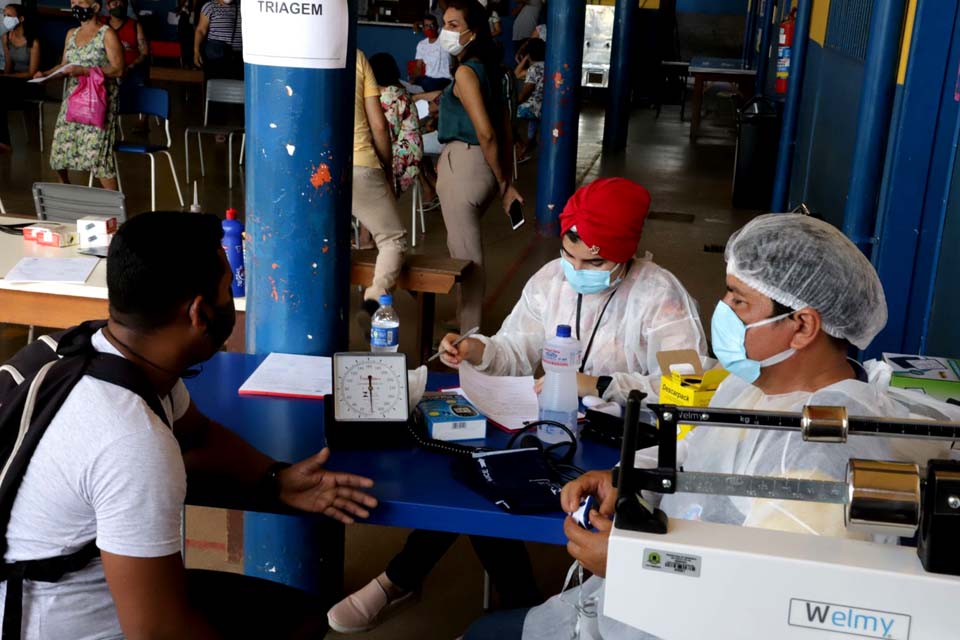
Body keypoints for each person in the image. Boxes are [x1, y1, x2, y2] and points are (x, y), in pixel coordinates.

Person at [462, 213, 960, 639]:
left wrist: (631, 566)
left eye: (739, 302)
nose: (722, 312)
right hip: (621, 605)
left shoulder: (820, 449)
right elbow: (697, 456)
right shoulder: (749, 388)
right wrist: (625, 476)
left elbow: (775, 608)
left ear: (803, 326)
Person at [0, 211, 380, 638]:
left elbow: (197, 434)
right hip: (65, 625)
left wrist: (275, 477)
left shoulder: (100, 349)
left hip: (93, 583)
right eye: (226, 289)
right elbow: (157, 631)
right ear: (200, 313)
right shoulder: (131, 439)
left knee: (301, 615)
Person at [440, 176, 707, 403]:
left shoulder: (660, 296)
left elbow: (688, 386)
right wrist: (476, 350)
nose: (576, 270)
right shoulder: (551, 281)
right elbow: (516, 349)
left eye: (595, 262)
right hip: (560, 417)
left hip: (631, 435)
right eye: (569, 255)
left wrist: (598, 385)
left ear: (627, 254)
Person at [435, 0, 521, 333]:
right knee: (461, 248)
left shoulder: (466, 72)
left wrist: (504, 182)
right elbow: (505, 128)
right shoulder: (498, 72)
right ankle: (462, 316)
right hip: (484, 168)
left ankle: (469, 333)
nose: (446, 31)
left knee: (467, 256)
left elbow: (486, 132)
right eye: (445, 23)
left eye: (454, 25)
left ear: (473, 32)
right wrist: (505, 179)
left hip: (464, 166)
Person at [36, 0, 124, 190]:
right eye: (72, 2)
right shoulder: (71, 34)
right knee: (60, 150)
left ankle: (115, 208)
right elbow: (64, 64)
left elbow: (118, 69)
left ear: (95, 7)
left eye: (80, 1)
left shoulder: (107, 34)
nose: (75, 5)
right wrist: (47, 74)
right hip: (73, 99)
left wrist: (85, 71)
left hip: (97, 101)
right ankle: (66, 188)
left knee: (98, 157)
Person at [354, 49, 407, 322]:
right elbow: (378, 124)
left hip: (313, 168)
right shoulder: (359, 58)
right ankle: (374, 300)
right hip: (359, 161)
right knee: (392, 240)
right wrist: (386, 170)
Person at [370, 52, 424, 195]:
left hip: (403, 156)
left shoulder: (390, 95)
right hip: (409, 150)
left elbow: (387, 133)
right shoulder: (398, 90)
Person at [0, 3, 41, 153]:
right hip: (10, 81)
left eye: (9, 16)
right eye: (4, 15)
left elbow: (32, 72)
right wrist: (6, 75)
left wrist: (7, 77)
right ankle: (3, 141)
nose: (6, 19)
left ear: (21, 19)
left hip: (28, 83)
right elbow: (9, 65)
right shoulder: (7, 37)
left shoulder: (33, 42)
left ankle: (4, 141)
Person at [103, 0, 148, 87]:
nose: (118, 6)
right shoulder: (102, 24)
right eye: (115, 3)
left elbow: (144, 53)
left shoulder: (134, 25)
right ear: (108, 7)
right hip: (107, 71)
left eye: (121, 3)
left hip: (131, 70)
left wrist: (131, 66)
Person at [513, 37, 544, 162]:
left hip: (533, 107)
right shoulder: (550, 65)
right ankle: (529, 142)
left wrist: (515, 102)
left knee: (507, 119)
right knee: (532, 126)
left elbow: (526, 90)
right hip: (544, 106)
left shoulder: (533, 69)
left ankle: (521, 148)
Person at [194, 0, 242, 80]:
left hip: (238, 59)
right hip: (217, 57)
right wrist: (196, 51)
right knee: (216, 86)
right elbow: (201, 30)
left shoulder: (241, 6)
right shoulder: (210, 6)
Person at [412, 14, 452, 91]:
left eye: (432, 25)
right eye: (427, 26)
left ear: (437, 26)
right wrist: (413, 78)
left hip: (445, 79)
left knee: (427, 84)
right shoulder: (422, 44)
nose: (430, 28)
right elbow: (418, 66)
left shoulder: (445, 39)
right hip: (429, 79)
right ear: (423, 28)